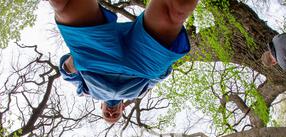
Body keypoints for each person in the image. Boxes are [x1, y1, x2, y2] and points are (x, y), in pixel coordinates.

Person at [49, 0, 198, 123]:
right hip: (143, 66)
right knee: (174, 11)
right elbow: (158, 78)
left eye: (107, 115)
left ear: (101, 107)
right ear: (123, 109)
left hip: (95, 61)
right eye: (115, 116)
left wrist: (72, 64)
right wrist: (162, 69)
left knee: (64, 5)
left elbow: (67, 74)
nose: (111, 113)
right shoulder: (139, 93)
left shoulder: (86, 92)